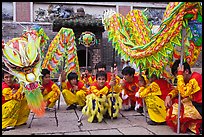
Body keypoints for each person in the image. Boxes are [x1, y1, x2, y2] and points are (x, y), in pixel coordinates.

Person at [165, 60, 202, 135]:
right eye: (177, 75)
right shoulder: (187, 80)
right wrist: (169, 96)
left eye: (178, 75)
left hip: (199, 105)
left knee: (177, 110)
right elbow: (177, 89)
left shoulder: (195, 78)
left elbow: (184, 93)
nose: (177, 78)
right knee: (175, 105)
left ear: (187, 71)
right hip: (195, 104)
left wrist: (180, 75)